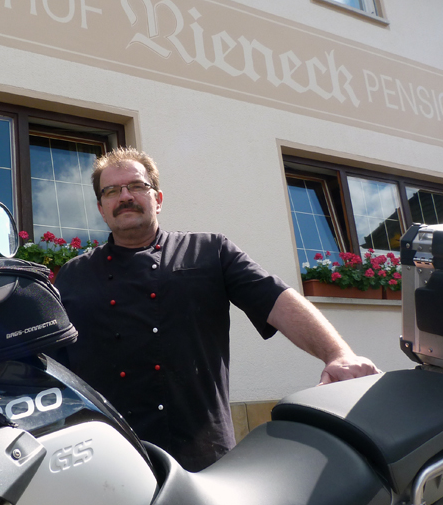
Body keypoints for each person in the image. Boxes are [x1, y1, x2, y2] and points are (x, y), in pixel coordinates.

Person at [53, 147, 378, 471]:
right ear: (101, 208)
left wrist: (338, 354)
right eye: (112, 191)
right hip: (109, 461)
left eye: (137, 186)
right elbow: (52, 365)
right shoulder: (72, 275)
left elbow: (276, 299)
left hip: (204, 457)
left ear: (158, 199)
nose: (125, 196)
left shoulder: (210, 250)